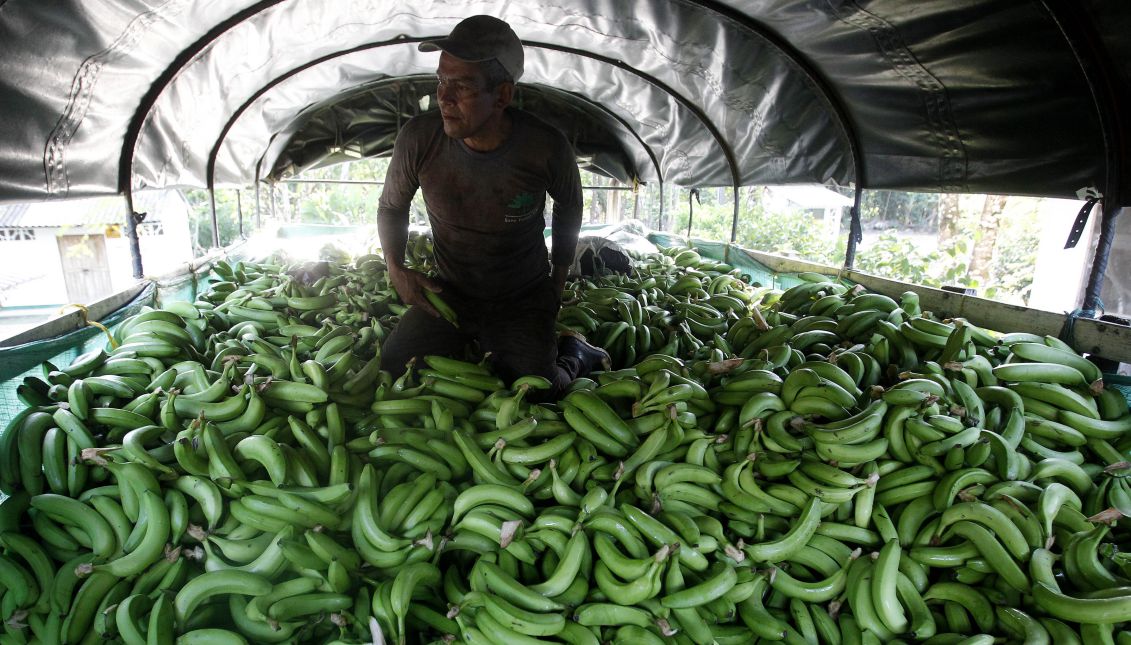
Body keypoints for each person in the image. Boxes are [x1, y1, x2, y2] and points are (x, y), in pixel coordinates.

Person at [376, 14, 611, 398]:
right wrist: (396, 269)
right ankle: (477, 342)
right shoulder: (419, 139)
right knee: (394, 367)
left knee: (540, 390)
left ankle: (575, 353)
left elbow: (570, 206)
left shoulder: (543, 146)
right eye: (441, 81)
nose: (444, 97)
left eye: (462, 86)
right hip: (450, 290)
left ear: (502, 96)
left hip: (521, 296)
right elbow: (391, 207)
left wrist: (558, 278)